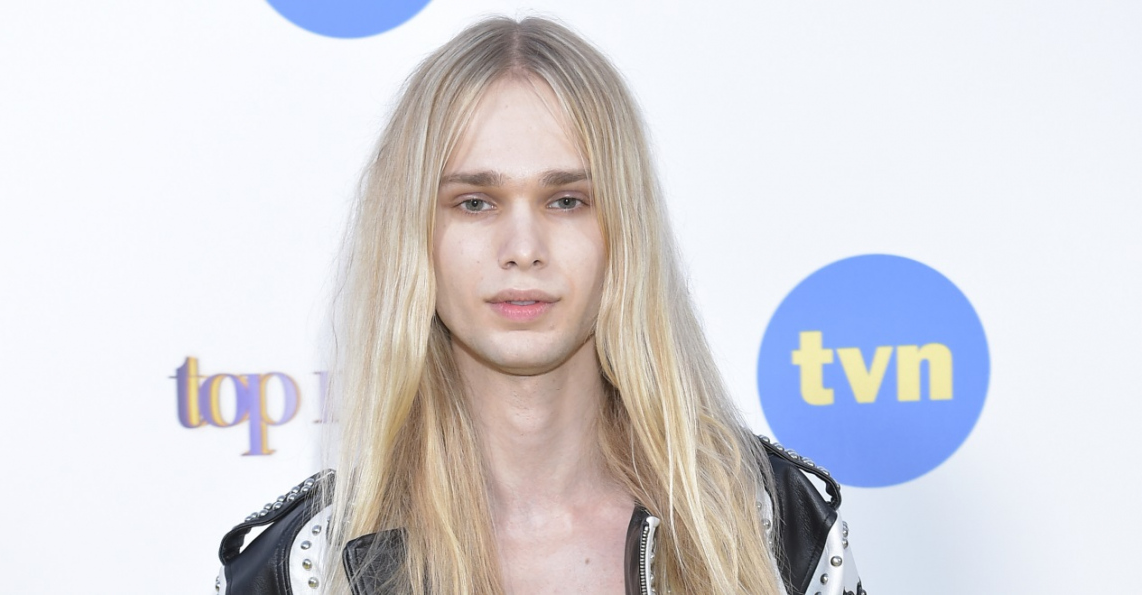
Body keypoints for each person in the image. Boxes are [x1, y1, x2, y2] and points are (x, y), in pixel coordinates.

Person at [214, 16, 864, 595]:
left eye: (566, 201)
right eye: (475, 202)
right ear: (414, 236)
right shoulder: (300, 570)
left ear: (624, 232)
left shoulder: (772, 523)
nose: (523, 249)